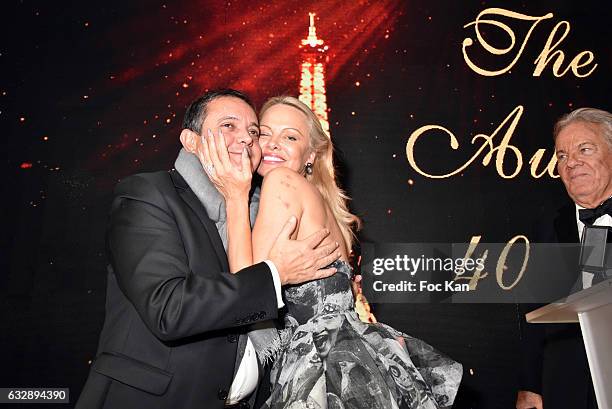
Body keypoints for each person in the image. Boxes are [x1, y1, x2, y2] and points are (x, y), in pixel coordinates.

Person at [75, 89, 342, 409]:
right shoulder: (148, 194)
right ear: (190, 141)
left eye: (253, 131)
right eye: (229, 126)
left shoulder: (260, 210)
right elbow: (170, 309)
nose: (246, 139)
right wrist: (275, 273)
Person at [203, 96, 463, 408]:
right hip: (348, 360)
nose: (273, 144)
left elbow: (248, 288)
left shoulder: (281, 181)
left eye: (290, 137)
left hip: (319, 365)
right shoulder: (322, 205)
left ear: (310, 154)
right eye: (265, 133)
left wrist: (235, 195)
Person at [516, 107, 612, 409]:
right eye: (562, 156)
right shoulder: (548, 226)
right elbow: (534, 312)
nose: (572, 163)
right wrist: (530, 385)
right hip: (564, 387)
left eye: (584, 149)